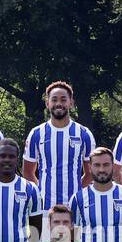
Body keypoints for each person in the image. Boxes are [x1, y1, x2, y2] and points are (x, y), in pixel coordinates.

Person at [24, 80, 95, 209]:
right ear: (47, 103)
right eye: (54, 99)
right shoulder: (36, 133)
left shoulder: (84, 134)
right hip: (44, 207)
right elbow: (28, 172)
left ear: (71, 103)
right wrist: (41, 191)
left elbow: (90, 173)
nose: (58, 103)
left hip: (75, 207)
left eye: (63, 99)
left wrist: (77, 192)